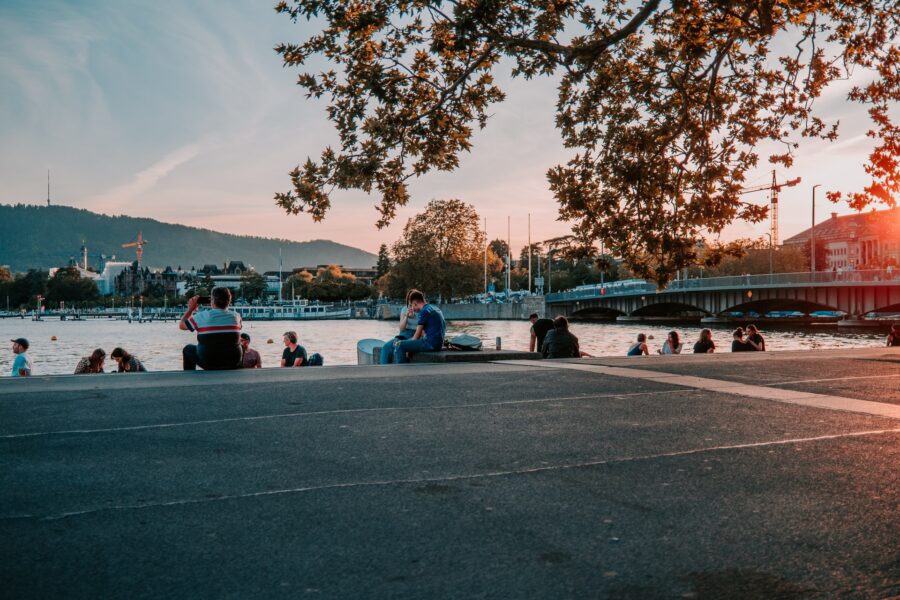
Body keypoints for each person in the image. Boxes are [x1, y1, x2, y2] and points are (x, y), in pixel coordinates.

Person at [180, 287, 243, 370]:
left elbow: (182, 325)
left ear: (212, 300)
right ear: (229, 300)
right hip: (233, 361)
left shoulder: (203, 316)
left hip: (208, 362)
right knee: (240, 344)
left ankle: (189, 378)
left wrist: (191, 309)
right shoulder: (236, 316)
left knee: (188, 349)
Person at [393, 290, 445, 363]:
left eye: (412, 305)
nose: (412, 308)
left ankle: (401, 371)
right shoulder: (436, 308)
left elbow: (416, 335)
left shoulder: (423, 312)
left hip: (430, 344)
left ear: (415, 303)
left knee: (399, 345)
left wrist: (408, 347)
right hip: (438, 344)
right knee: (405, 343)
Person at [380, 289, 420, 365]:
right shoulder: (405, 309)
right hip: (404, 334)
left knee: (399, 347)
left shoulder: (421, 310)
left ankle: (401, 371)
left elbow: (423, 329)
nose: (410, 304)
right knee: (386, 347)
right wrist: (406, 316)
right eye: (409, 301)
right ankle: (384, 369)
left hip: (417, 334)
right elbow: (401, 329)